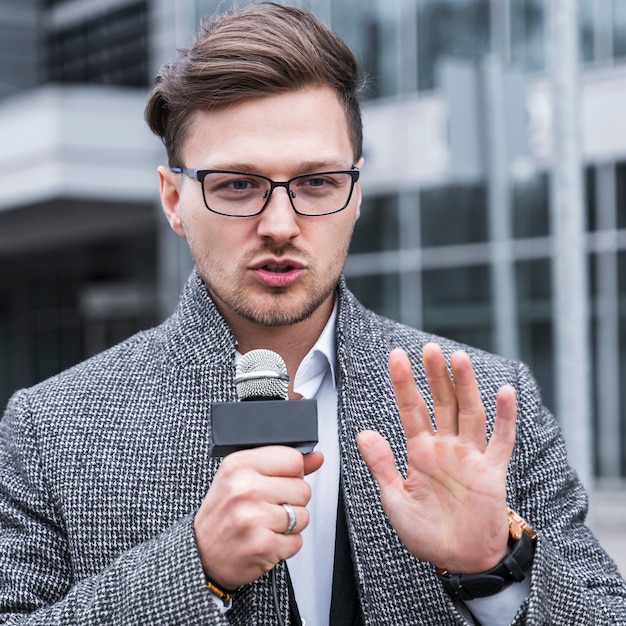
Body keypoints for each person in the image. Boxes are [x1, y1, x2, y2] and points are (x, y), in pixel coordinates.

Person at [1, 2, 625, 624]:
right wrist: (193, 569)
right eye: (236, 185)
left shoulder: (487, 405)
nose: (279, 225)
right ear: (173, 199)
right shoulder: (51, 432)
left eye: (318, 183)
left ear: (356, 193)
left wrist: (494, 568)